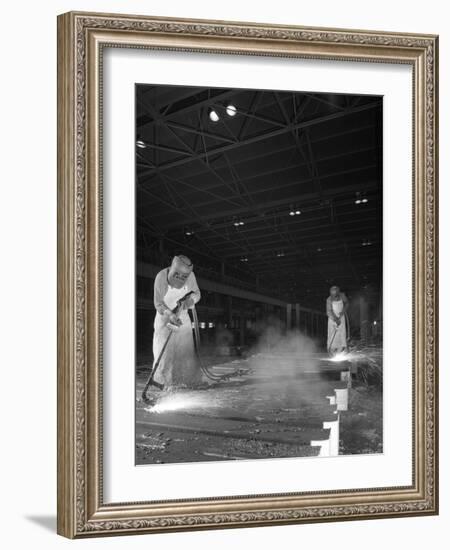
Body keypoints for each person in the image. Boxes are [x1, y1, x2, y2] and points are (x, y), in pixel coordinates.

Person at [152, 255, 202, 390]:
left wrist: (191, 301)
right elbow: (158, 303)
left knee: (185, 350)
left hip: (182, 314)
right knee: (164, 352)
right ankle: (162, 384)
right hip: (165, 317)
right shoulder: (161, 277)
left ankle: (185, 381)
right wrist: (170, 315)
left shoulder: (190, 276)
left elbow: (197, 293)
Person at [326, 285, 349, 354]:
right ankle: (331, 349)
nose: (334, 298)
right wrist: (336, 319)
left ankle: (343, 348)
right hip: (332, 318)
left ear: (338, 293)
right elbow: (329, 312)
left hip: (341, 316)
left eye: (335, 296)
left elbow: (347, 303)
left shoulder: (342, 296)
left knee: (342, 332)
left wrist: (343, 311)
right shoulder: (329, 299)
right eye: (333, 296)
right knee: (332, 333)